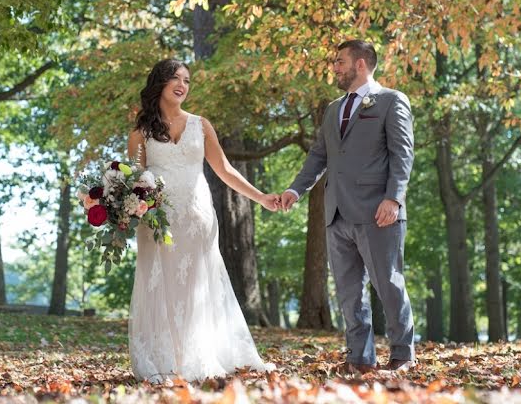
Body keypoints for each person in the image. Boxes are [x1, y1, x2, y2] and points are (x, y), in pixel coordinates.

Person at [126, 58, 279, 383]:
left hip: (198, 218)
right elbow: (134, 181)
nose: (182, 85)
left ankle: (201, 353)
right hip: (157, 221)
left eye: (187, 80)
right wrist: (125, 207)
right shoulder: (140, 133)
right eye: (176, 79)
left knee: (198, 283)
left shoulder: (201, 125)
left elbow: (225, 170)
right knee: (162, 284)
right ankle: (163, 357)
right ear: (160, 84)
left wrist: (261, 197)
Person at [280, 39, 415, 373]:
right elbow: (318, 156)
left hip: (378, 211)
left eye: (339, 61)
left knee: (388, 284)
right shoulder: (332, 109)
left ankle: (402, 354)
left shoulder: (391, 101)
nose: (334, 68)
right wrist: (296, 190)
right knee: (349, 292)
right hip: (336, 213)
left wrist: (394, 198)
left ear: (360, 64)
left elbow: (403, 153)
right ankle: (359, 358)